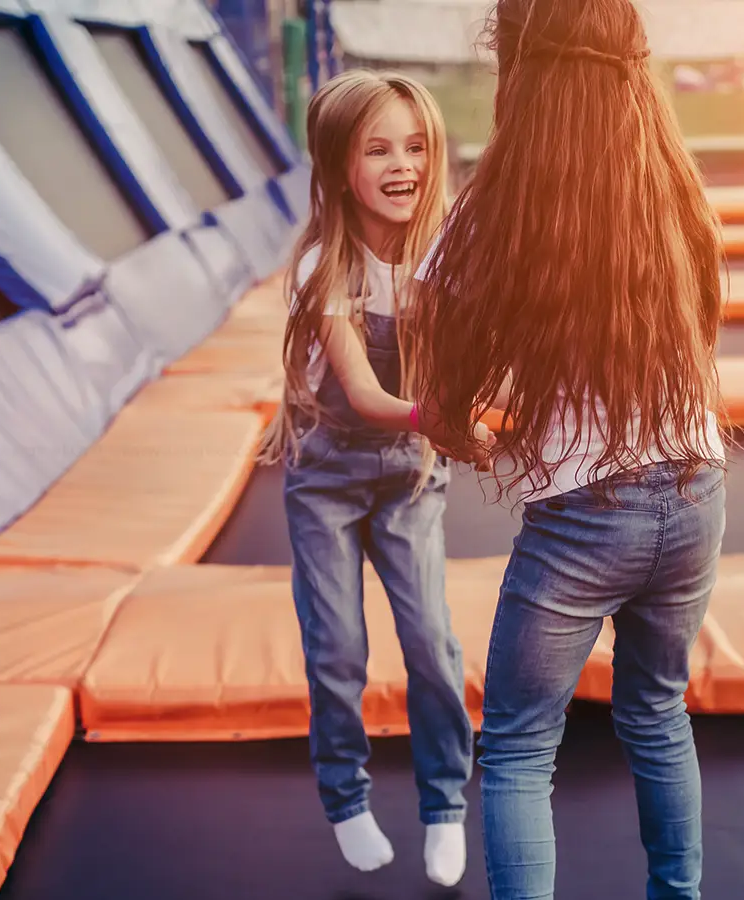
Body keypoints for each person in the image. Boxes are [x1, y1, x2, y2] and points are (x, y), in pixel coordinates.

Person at [406, 1, 731, 897]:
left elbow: (446, 405)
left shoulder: (494, 212)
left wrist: (474, 427)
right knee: (658, 712)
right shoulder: (674, 190)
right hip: (697, 491)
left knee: (517, 746)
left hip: (584, 519)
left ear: (516, 65)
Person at [255, 70, 493, 889]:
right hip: (327, 475)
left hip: (408, 477)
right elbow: (362, 392)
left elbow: (474, 362)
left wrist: (485, 407)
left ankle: (445, 803)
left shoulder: (445, 256)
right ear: (337, 167)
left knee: (431, 642)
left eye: (416, 147)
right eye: (378, 150)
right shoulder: (323, 265)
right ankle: (346, 798)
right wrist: (445, 423)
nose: (403, 166)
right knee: (337, 649)